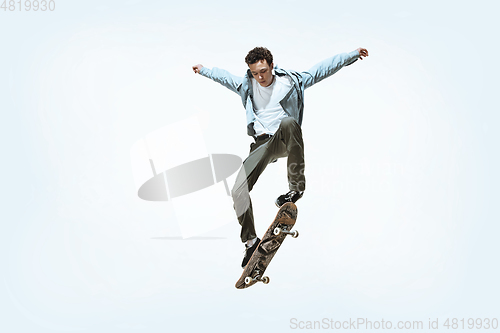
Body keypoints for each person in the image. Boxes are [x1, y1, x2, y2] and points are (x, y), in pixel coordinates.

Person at [192, 46, 369, 267]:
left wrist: (351, 55)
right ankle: (250, 243)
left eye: (264, 71)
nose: (260, 77)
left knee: (288, 122)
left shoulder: (291, 81)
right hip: (262, 144)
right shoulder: (246, 85)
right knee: (238, 191)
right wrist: (204, 69)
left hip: (285, 138)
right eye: (255, 73)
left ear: (272, 65)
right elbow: (224, 77)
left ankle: (295, 189)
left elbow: (322, 69)